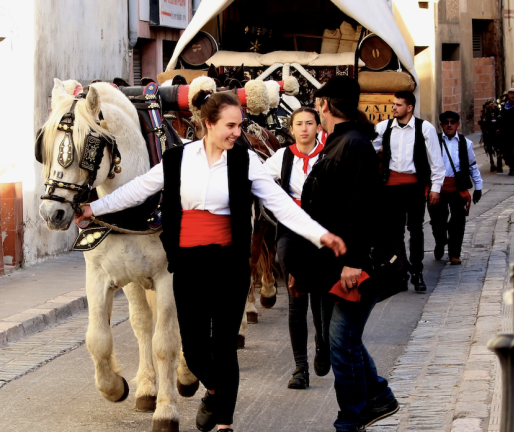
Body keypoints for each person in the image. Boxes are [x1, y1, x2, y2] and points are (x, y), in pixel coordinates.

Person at [75, 91, 346, 432]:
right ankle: (216, 392)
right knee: (194, 350)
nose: (237, 132)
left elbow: (280, 204)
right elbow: (139, 189)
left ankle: (225, 424)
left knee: (224, 347)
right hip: (188, 264)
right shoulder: (178, 158)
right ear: (209, 124)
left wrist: (319, 234)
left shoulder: (246, 161)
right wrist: (94, 208)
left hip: (229, 265)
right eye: (230, 126)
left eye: (239, 125)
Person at [281, 76, 399, 432]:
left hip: (356, 267)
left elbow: (362, 211)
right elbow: (321, 213)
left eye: (317, 103)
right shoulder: (338, 143)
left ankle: (350, 419)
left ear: (324, 105)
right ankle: (378, 397)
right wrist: (301, 268)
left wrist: (353, 264)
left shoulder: (355, 145)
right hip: (333, 266)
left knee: (341, 341)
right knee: (344, 340)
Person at [262, 107, 334, 390]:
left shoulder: (329, 155)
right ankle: (300, 368)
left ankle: (322, 344)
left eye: (309, 123)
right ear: (291, 129)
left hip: (321, 228)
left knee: (321, 297)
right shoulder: (282, 156)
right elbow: (258, 179)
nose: (304, 128)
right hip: (292, 229)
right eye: (299, 124)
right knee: (296, 296)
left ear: (318, 127)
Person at [372, 91, 445, 292]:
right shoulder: (384, 127)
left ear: (409, 107)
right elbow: (369, 148)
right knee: (395, 232)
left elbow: (436, 161)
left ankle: (417, 271)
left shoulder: (425, 128)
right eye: (393, 104)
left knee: (416, 229)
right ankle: (401, 269)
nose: (393, 107)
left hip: (414, 186)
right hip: (390, 187)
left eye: (398, 105)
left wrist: (435, 188)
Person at [429, 111, 483, 265]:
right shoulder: (433, 142)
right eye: (446, 122)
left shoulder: (466, 143)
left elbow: (472, 166)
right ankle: (440, 242)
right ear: (441, 125)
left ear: (457, 124)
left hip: (457, 186)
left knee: (458, 221)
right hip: (437, 187)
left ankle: (454, 253)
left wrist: (478, 186)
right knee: (438, 221)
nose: (449, 125)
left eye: (452, 122)